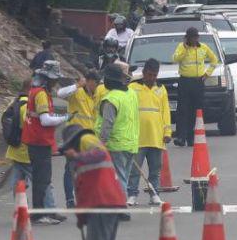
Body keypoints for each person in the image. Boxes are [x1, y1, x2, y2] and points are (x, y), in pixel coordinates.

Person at [58, 125, 127, 240]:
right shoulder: (78, 162)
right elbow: (82, 189)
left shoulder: (86, 139)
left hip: (103, 204)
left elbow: (100, 154)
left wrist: (76, 156)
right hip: (103, 204)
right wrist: (81, 218)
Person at [23, 60, 69, 224]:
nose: (55, 82)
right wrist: (64, 118)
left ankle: (45, 212)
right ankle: (39, 214)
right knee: (41, 180)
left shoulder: (35, 91)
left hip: (36, 140)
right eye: (54, 79)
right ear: (47, 79)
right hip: (39, 141)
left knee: (42, 179)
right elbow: (45, 120)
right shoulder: (41, 94)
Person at [57, 69, 107, 208]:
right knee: (70, 169)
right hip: (73, 136)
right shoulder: (76, 93)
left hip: (89, 138)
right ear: (88, 81)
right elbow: (60, 93)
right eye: (95, 83)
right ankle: (70, 200)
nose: (97, 86)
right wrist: (77, 85)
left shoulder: (95, 97)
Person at [128, 59, 172, 206]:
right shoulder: (133, 87)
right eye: (149, 74)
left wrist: (167, 132)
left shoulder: (161, 89)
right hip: (138, 136)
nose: (152, 78)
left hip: (156, 136)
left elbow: (165, 112)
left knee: (155, 169)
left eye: (154, 75)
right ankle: (132, 194)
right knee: (135, 169)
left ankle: (154, 194)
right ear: (143, 72)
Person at [96, 62, 140, 197]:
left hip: (116, 145)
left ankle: (121, 205)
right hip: (131, 143)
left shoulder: (111, 98)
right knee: (123, 177)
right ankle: (120, 202)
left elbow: (107, 123)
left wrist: (101, 143)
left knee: (119, 178)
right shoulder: (131, 93)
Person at [172, 28, 219, 146]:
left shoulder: (203, 47)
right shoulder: (181, 47)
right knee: (182, 110)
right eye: (192, 37)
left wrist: (207, 74)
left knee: (195, 110)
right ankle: (181, 137)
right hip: (185, 81)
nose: (194, 39)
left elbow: (214, 60)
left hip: (198, 82)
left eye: (196, 37)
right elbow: (175, 59)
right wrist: (185, 47)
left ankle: (191, 137)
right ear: (187, 38)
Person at [4, 78, 33, 196]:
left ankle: (20, 206)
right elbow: (31, 128)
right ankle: (47, 207)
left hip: (15, 149)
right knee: (43, 184)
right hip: (27, 152)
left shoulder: (15, 102)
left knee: (18, 183)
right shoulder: (27, 106)